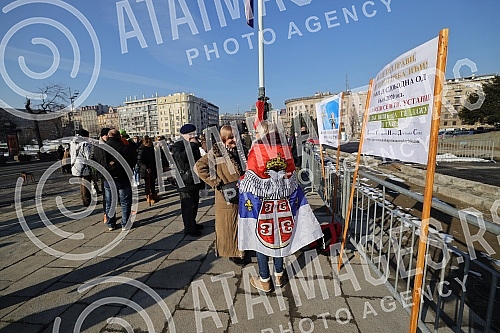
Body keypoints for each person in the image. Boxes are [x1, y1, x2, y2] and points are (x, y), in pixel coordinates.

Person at [238, 121, 323, 292]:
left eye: (257, 132)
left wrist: (241, 184)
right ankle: (279, 274)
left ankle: (264, 279)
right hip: (283, 203)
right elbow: (292, 178)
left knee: (261, 238)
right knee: (280, 237)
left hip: (262, 204)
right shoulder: (285, 149)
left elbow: (250, 178)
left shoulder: (257, 150)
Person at [195, 126, 247, 265]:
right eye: (230, 138)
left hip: (242, 194)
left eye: (235, 136)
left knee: (241, 224)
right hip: (226, 197)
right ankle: (233, 253)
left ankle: (242, 249)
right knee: (229, 226)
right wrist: (217, 182)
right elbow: (199, 167)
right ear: (224, 138)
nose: (234, 140)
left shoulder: (241, 150)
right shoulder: (216, 153)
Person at [171, 123, 205, 237]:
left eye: (194, 134)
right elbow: (181, 159)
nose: (193, 136)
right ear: (184, 135)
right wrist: (191, 145)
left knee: (194, 204)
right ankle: (189, 228)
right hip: (184, 181)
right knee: (187, 206)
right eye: (191, 134)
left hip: (194, 179)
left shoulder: (194, 145)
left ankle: (192, 223)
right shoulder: (178, 146)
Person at [102, 129, 137, 231]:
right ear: (119, 137)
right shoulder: (124, 147)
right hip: (123, 177)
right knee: (125, 201)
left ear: (108, 136)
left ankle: (110, 224)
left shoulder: (102, 147)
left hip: (108, 178)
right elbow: (134, 157)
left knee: (110, 202)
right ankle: (125, 223)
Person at [90, 127, 111, 223]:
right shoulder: (97, 146)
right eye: (107, 135)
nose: (108, 137)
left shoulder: (109, 144)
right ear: (104, 136)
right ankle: (106, 214)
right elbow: (92, 160)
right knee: (106, 196)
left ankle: (109, 214)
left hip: (110, 173)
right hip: (103, 174)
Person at [70, 129, 92, 207]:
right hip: (84, 165)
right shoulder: (85, 144)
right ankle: (87, 200)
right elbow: (88, 156)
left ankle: (83, 198)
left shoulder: (73, 142)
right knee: (86, 183)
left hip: (75, 165)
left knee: (82, 184)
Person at [137, 135, 158, 205]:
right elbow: (140, 161)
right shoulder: (142, 150)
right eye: (147, 142)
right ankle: (148, 196)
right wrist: (146, 168)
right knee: (147, 184)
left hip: (152, 168)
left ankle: (153, 194)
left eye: (150, 142)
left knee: (153, 183)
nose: (149, 143)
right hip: (146, 169)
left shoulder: (152, 149)